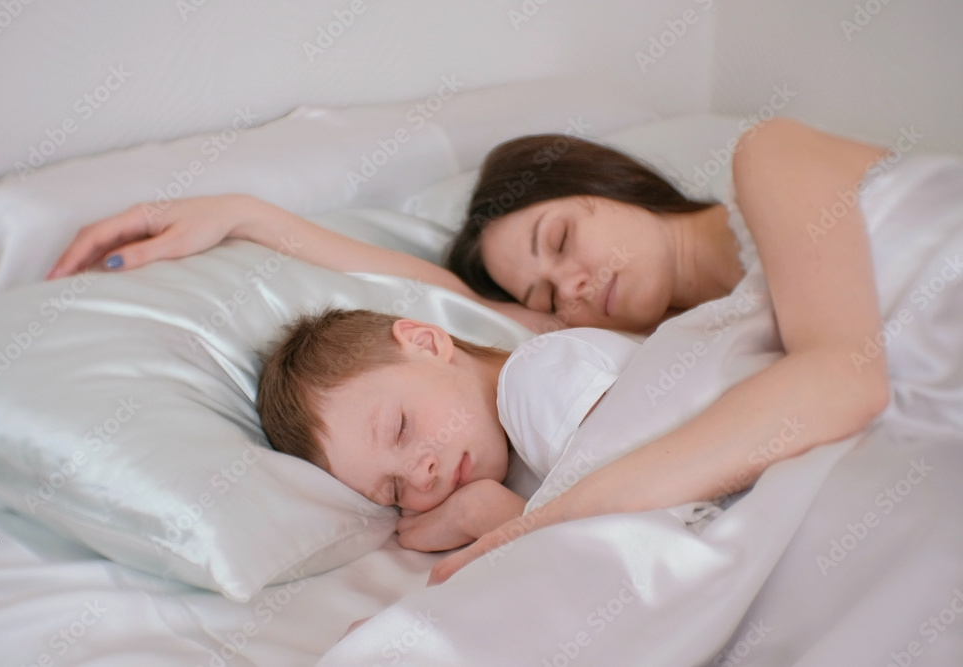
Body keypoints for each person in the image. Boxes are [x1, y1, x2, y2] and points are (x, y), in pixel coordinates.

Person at [50, 118, 926, 579]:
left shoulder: (767, 155)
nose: (572, 286)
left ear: (605, 183)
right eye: (544, 296)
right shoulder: (636, 347)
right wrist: (243, 216)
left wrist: (544, 524)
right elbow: (447, 307)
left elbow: (844, 377)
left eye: (559, 239)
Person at [255, 307, 723, 552]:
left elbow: (653, 542)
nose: (422, 475)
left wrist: (489, 517)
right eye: (395, 490)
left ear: (424, 342)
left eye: (400, 428)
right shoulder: (510, 453)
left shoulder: (537, 378)